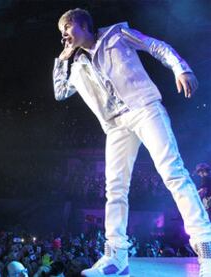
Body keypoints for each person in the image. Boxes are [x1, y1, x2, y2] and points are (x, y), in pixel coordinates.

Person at [53, 8, 211, 277]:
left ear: (83, 24)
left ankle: (206, 247)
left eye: (67, 28)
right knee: (114, 189)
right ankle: (117, 257)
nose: (64, 35)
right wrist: (62, 59)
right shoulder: (77, 64)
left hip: (144, 108)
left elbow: (155, 46)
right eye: (61, 32)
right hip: (115, 125)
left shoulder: (117, 33)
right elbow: (60, 92)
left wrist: (180, 67)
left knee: (173, 173)